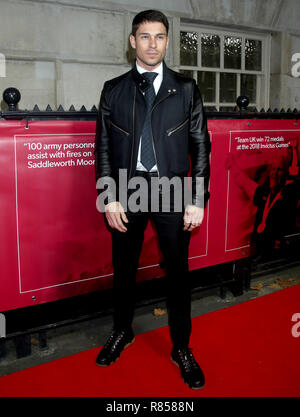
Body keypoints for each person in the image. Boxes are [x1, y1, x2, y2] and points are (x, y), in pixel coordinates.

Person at [94, 9, 210, 390]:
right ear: (133, 41)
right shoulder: (113, 90)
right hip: (126, 191)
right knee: (124, 269)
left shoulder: (187, 88)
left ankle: (181, 347)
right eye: (145, 36)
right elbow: (105, 148)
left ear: (167, 41)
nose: (152, 44)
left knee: (177, 274)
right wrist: (109, 197)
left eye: (160, 36)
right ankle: (122, 331)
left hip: (173, 190)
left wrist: (197, 197)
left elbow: (200, 146)